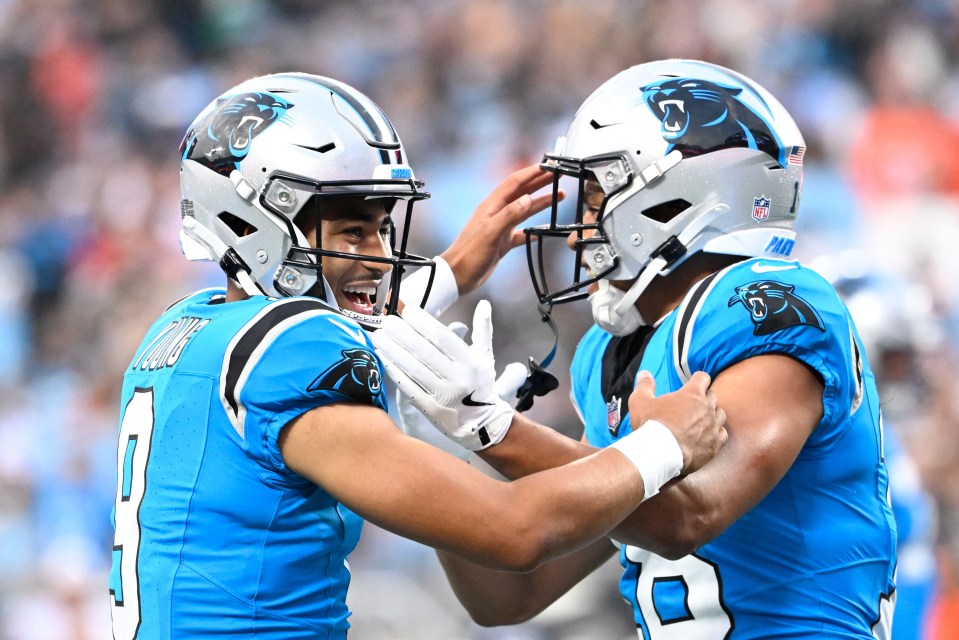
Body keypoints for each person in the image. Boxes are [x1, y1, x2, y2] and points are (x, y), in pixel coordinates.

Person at [107, 71, 729, 639]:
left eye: (383, 227)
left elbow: (339, 314)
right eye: (354, 230)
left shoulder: (184, 328)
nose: (379, 254)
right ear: (256, 225)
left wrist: (455, 269)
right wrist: (663, 445)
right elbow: (514, 532)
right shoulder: (294, 350)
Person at [372, 59, 899, 638]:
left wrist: (493, 428)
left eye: (597, 201)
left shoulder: (771, 304)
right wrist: (450, 453)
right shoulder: (611, 352)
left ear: (679, 198)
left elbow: (690, 513)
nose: (576, 233)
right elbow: (511, 595)